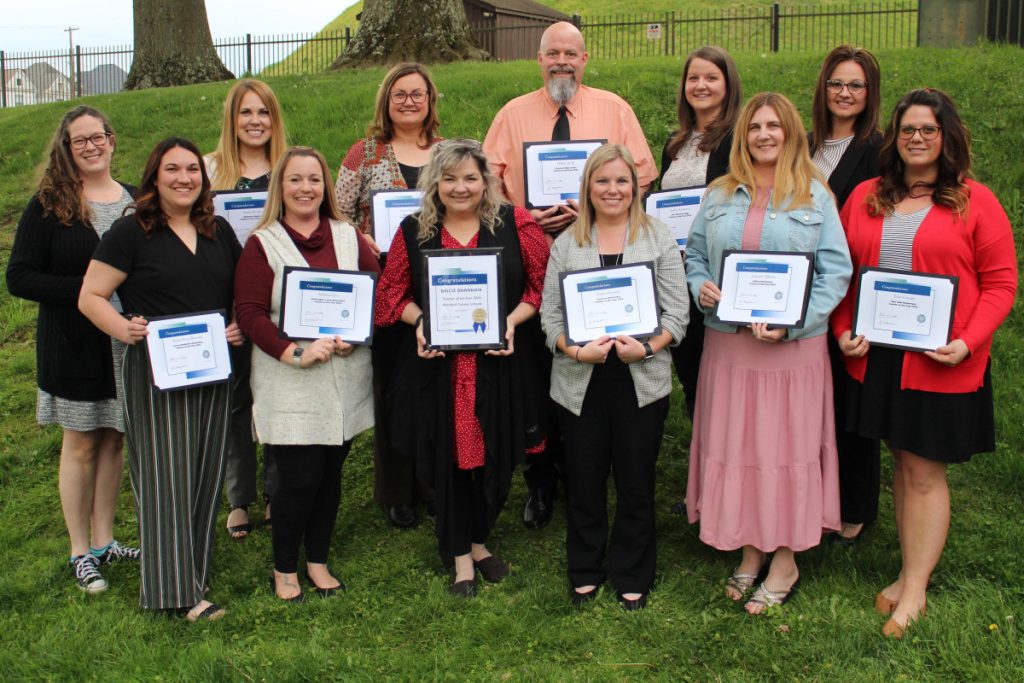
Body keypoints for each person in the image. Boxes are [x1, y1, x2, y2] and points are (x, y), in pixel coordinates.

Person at [832, 88, 1017, 638]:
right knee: (903, 465)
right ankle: (909, 572)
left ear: (946, 137)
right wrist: (843, 330)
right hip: (880, 361)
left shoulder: (974, 200)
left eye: (928, 131)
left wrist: (969, 341)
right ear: (895, 137)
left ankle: (914, 588)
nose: (916, 139)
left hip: (941, 358)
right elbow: (844, 272)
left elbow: (1002, 283)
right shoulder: (868, 196)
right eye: (908, 130)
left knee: (924, 473)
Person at [483, 20, 656, 529]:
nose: (562, 61)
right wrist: (522, 217)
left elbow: (643, 175)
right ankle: (542, 479)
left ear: (585, 59)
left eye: (571, 53)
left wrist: (599, 209)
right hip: (532, 252)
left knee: (599, 354)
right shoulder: (513, 115)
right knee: (538, 368)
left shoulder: (614, 110)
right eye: (552, 53)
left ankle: (598, 466)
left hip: (601, 254)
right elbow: (487, 183)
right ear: (540, 60)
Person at [685, 93, 852, 614]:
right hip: (728, 346)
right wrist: (701, 286)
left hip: (790, 354)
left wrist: (794, 322)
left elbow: (837, 272)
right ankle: (751, 548)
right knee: (740, 445)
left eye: (774, 126)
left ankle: (786, 557)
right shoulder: (717, 194)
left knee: (784, 449)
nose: (763, 134)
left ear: (791, 134)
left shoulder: (814, 195)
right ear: (743, 135)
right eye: (755, 126)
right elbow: (692, 254)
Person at [79, 137, 244, 622]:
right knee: (165, 476)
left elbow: (235, 290)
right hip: (156, 370)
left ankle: (192, 569)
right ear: (154, 177)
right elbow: (91, 296)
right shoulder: (132, 233)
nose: (184, 178)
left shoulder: (218, 231)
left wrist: (235, 324)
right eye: (172, 169)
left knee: (204, 473)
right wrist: (123, 329)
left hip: (213, 367)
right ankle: (175, 593)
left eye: (192, 169)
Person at [375, 139, 548, 596]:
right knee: (448, 460)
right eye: (449, 178)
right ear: (435, 181)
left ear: (486, 180)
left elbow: (541, 287)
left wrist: (510, 323)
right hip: (440, 371)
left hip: (499, 363)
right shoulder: (414, 231)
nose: (461, 187)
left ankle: (477, 540)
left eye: (471, 177)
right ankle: (459, 557)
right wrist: (421, 322)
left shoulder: (516, 224)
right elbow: (391, 296)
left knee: (494, 459)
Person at [540, 144, 688, 610]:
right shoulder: (567, 243)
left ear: (636, 187)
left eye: (622, 181)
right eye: (603, 181)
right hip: (579, 380)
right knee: (583, 480)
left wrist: (645, 347)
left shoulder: (657, 237)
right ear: (588, 187)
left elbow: (678, 314)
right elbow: (550, 318)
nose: (613, 189)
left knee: (635, 480)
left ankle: (631, 570)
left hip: (640, 378)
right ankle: (585, 568)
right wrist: (574, 349)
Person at [6, 105, 139, 594]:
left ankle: (106, 540)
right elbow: (18, 276)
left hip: (126, 345)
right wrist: (87, 294)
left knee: (113, 438)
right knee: (81, 443)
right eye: (79, 140)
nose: (90, 145)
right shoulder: (49, 204)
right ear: (66, 147)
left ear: (111, 139)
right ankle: (79, 550)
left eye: (98, 136)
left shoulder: (131, 198)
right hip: (74, 343)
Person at [235, 147, 377, 602]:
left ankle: (317, 559)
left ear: (325, 187)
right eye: (295, 180)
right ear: (280, 187)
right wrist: (293, 350)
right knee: (297, 480)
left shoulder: (348, 236)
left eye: (314, 179)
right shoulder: (264, 242)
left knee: (330, 474)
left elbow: (376, 294)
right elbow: (251, 313)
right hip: (290, 379)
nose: (305, 189)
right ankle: (284, 568)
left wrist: (359, 335)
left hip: (344, 377)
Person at [334, 62, 442, 529]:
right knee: (395, 389)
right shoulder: (365, 154)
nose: (409, 102)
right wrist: (364, 243)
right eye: (400, 94)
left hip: (441, 290)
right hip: (385, 290)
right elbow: (335, 213)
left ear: (430, 101)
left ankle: (435, 482)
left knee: (437, 389)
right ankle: (398, 490)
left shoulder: (448, 152)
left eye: (417, 94)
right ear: (386, 100)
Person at [205, 79, 289, 540]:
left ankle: (278, 491)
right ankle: (239, 498)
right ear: (232, 120)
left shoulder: (286, 168)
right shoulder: (208, 170)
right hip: (223, 304)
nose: (255, 122)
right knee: (236, 400)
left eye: (263, 113)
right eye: (246, 113)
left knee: (274, 395)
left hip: (276, 301)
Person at [809, 45, 885, 547]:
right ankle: (818, 497)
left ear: (869, 93)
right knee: (815, 401)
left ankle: (855, 508)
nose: (844, 93)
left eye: (855, 85)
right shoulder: (807, 143)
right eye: (837, 83)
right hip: (800, 286)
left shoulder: (877, 148)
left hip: (852, 283)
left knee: (850, 398)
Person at [659, 45, 742, 428]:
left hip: (716, 275)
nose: (701, 85)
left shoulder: (739, 139)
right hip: (676, 274)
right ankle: (705, 466)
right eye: (693, 78)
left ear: (728, 84)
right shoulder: (675, 144)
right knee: (692, 374)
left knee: (724, 379)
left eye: (711, 77)